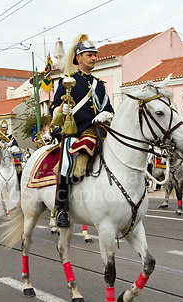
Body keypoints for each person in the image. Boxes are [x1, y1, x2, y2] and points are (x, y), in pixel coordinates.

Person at [49, 34, 115, 227]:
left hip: (100, 131)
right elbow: (54, 108)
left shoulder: (100, 85)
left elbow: (109, 109)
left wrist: (106, 115)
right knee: (66, 163)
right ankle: (61, 209)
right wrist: (62, 110)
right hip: (75, 133)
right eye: (89, 55)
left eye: (95, 54)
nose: (94, 58)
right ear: (78, 58)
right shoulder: (67, 81)